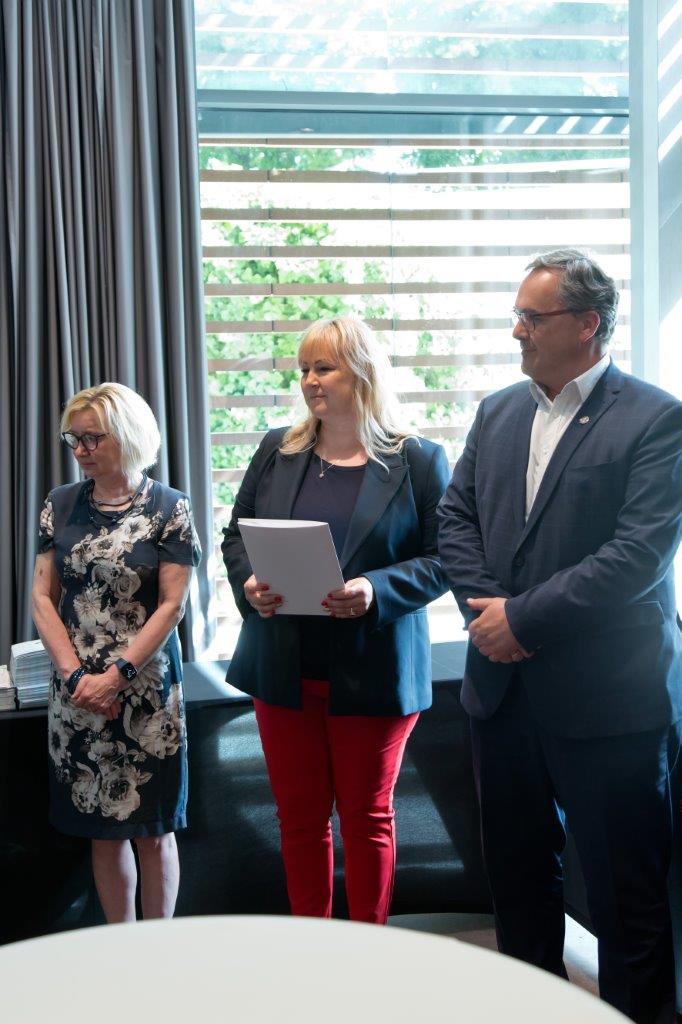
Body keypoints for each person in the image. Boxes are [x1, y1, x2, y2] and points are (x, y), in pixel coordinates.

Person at [437, 249, 682, 1023]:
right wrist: (489, 617)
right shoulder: (497, 412)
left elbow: (635, 556)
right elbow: (455, 519)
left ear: (587, 324)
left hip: (610, 704)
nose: (517, 331)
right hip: (502, 697)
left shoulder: (656, 418)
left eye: (531, 317)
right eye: (517, 315)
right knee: (518, 889)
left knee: (625, 902)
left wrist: (522, 621)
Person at [221, 315, 450, 923]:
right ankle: (311, 950)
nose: (309, 381)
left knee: (367, 818)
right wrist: (249, 582)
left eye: (324, 368)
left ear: (363, 374)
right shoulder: (278, 449)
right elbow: (235, 535)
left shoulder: (420, 460)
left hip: (375, 669)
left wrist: (376, 588)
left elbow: (444, 559)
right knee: (298, 819)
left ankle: (367, 953)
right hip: (283, 665)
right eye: (304, 369)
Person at [32, 383, 201, 923]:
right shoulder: (60, 503)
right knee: (102, 834)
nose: (80, 450)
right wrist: (76, 677)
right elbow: (42, 597)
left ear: (126, 437)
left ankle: (159, 954)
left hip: (146, 694)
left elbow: (172, 605)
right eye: (73, 438)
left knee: (153, 832)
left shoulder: (170, 507)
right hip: (77, 691)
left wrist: (118, 675)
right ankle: (120, 951)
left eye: (92, 438)